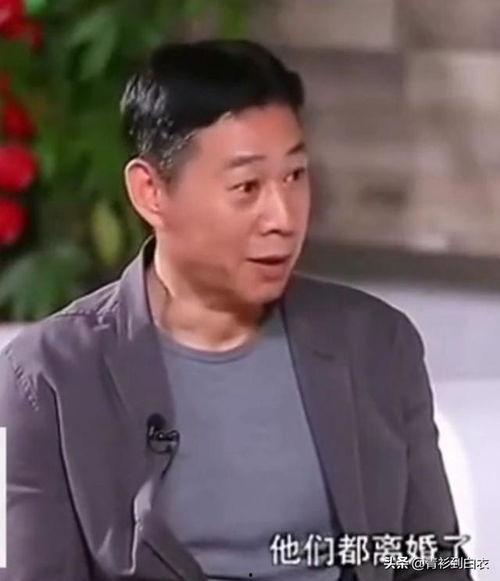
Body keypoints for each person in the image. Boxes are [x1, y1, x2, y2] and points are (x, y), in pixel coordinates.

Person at [0, 39, 470, 581]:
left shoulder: (376, 345)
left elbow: (434, 562)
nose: (283, 218)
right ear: (151, 192)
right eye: (247, 186)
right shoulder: (48, 377)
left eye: (295, 176)